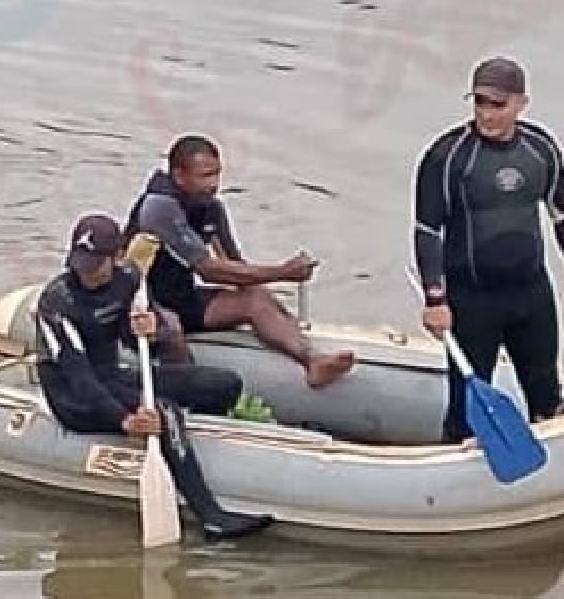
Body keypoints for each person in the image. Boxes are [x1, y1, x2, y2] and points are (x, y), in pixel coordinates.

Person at [34, 213, 273, 541]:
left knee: (223, 384)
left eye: (94, 265)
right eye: (80, 264)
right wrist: (126, 420)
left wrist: (151, 329)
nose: (85, 274)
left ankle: (192, 448)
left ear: (117, 257)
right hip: (73, 397)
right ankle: (212, 517)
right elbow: (79, 376)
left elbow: (135, 340)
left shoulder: (129, 279)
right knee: (166, 413)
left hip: (113, 376)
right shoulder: (57, 301)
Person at [122, 133, 355, 388]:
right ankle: (190, 395)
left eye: (217, 174)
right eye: (205, 176)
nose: (214, 184)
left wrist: (273, 308)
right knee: (172, 328)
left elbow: (234, 265)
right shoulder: (159, 208)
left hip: (180, 295)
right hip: (139, 302)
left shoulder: (211, 207)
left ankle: (312, 360)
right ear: (179, 176)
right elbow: (209, 271)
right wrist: (283, 272)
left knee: (256, 301)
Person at [412, 56, 564, 443]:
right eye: (480, 102)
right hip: (472, 301)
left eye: (498, 104)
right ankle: (452, 478)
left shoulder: (541, 149)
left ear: (521, 103)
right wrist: (435, 299)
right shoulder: (448, 157)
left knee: (547, 396)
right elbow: (428, 231)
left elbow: (559, 216)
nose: (487, 113)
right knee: (466, 409)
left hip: (532, 293)